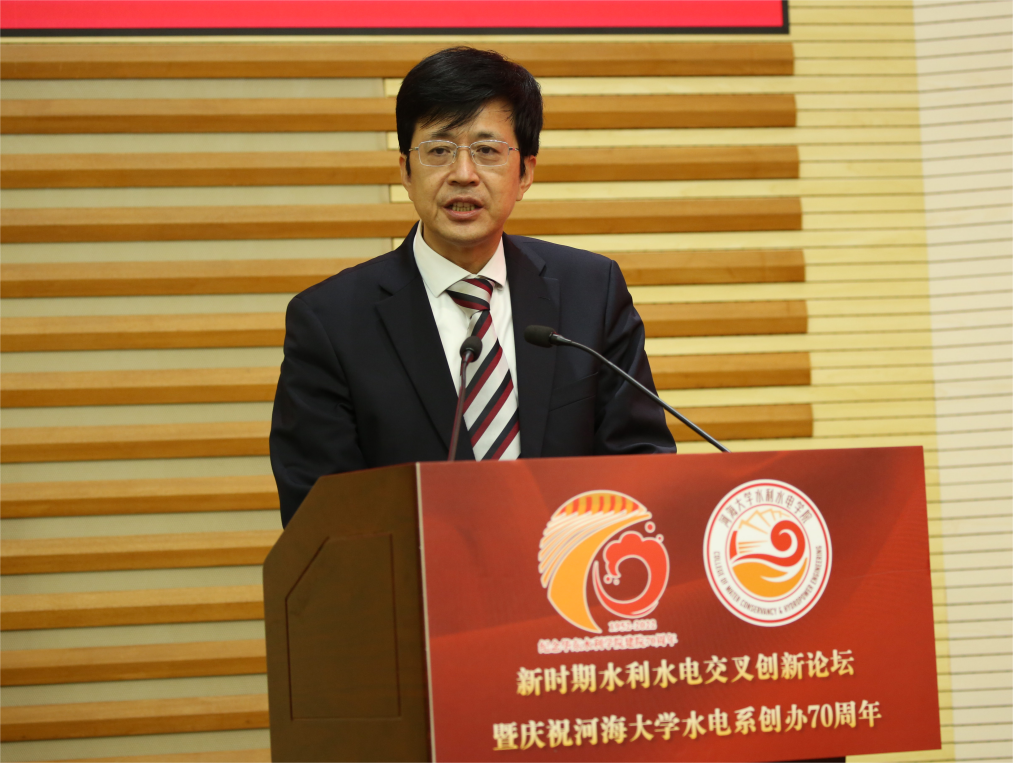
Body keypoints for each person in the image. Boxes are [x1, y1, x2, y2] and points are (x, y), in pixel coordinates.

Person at [270, 46, 676, 527]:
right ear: (405, 171)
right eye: (439, 151)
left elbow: (641, 467)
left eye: (487, 151)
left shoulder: (592, 292)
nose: (463, 175)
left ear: (525, 173)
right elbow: (321, 518)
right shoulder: (331, 322)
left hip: (570, 568)